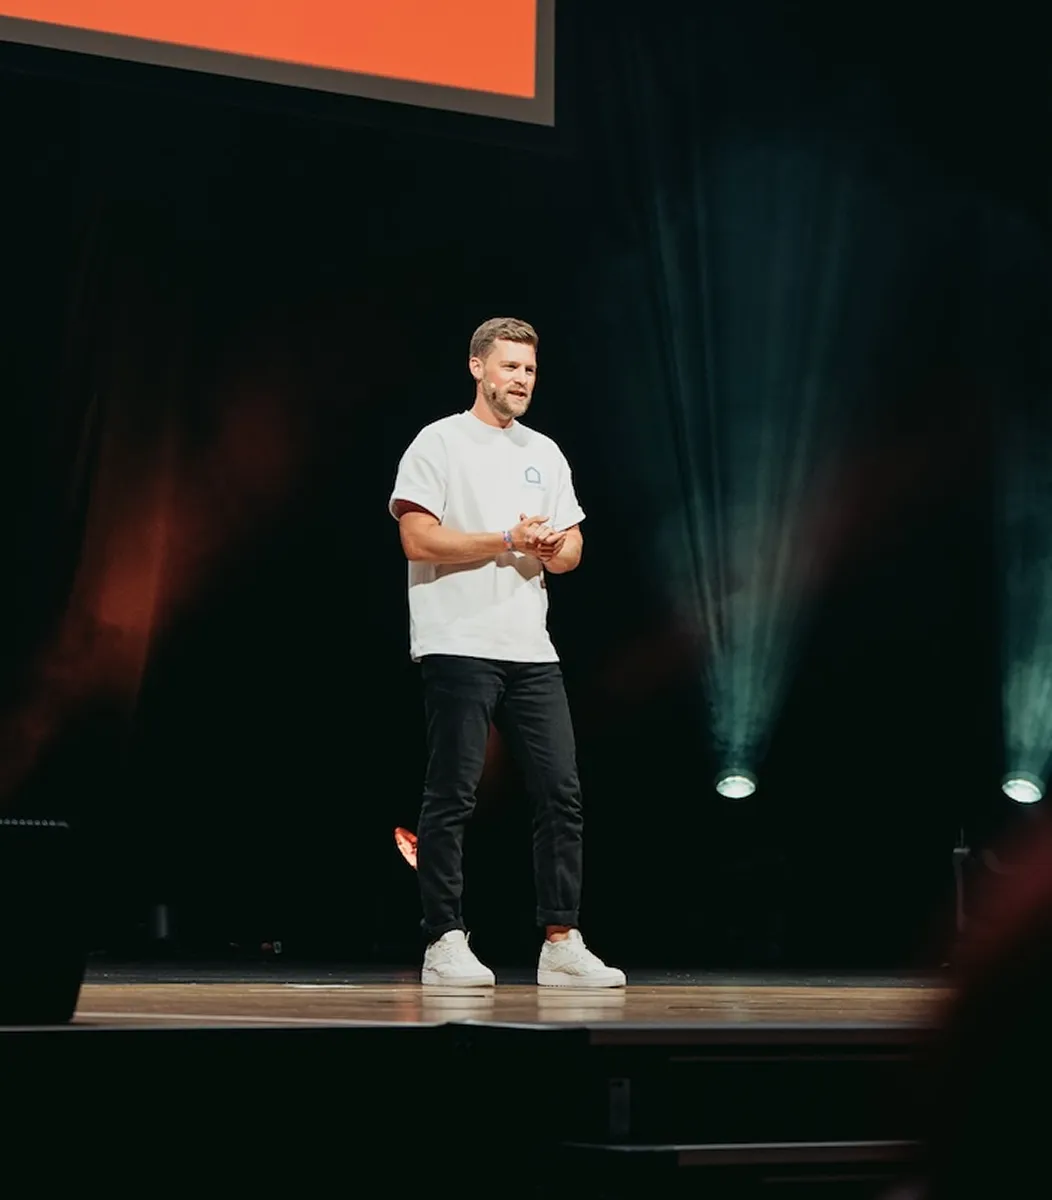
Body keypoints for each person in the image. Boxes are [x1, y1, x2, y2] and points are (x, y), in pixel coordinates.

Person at [389, 317, 625, 989]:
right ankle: (445, 939)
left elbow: (575, 549)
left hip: (530, 647)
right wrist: (506, 540)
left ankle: (561, 940)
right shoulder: (438, 443)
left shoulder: (545, 453)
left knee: (561, 791)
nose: (522, 379)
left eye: (529, 369)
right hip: (457, 639)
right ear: (477, 368)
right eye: (510, 367)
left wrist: (553, 549)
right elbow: (418, 541)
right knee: (453, 792)